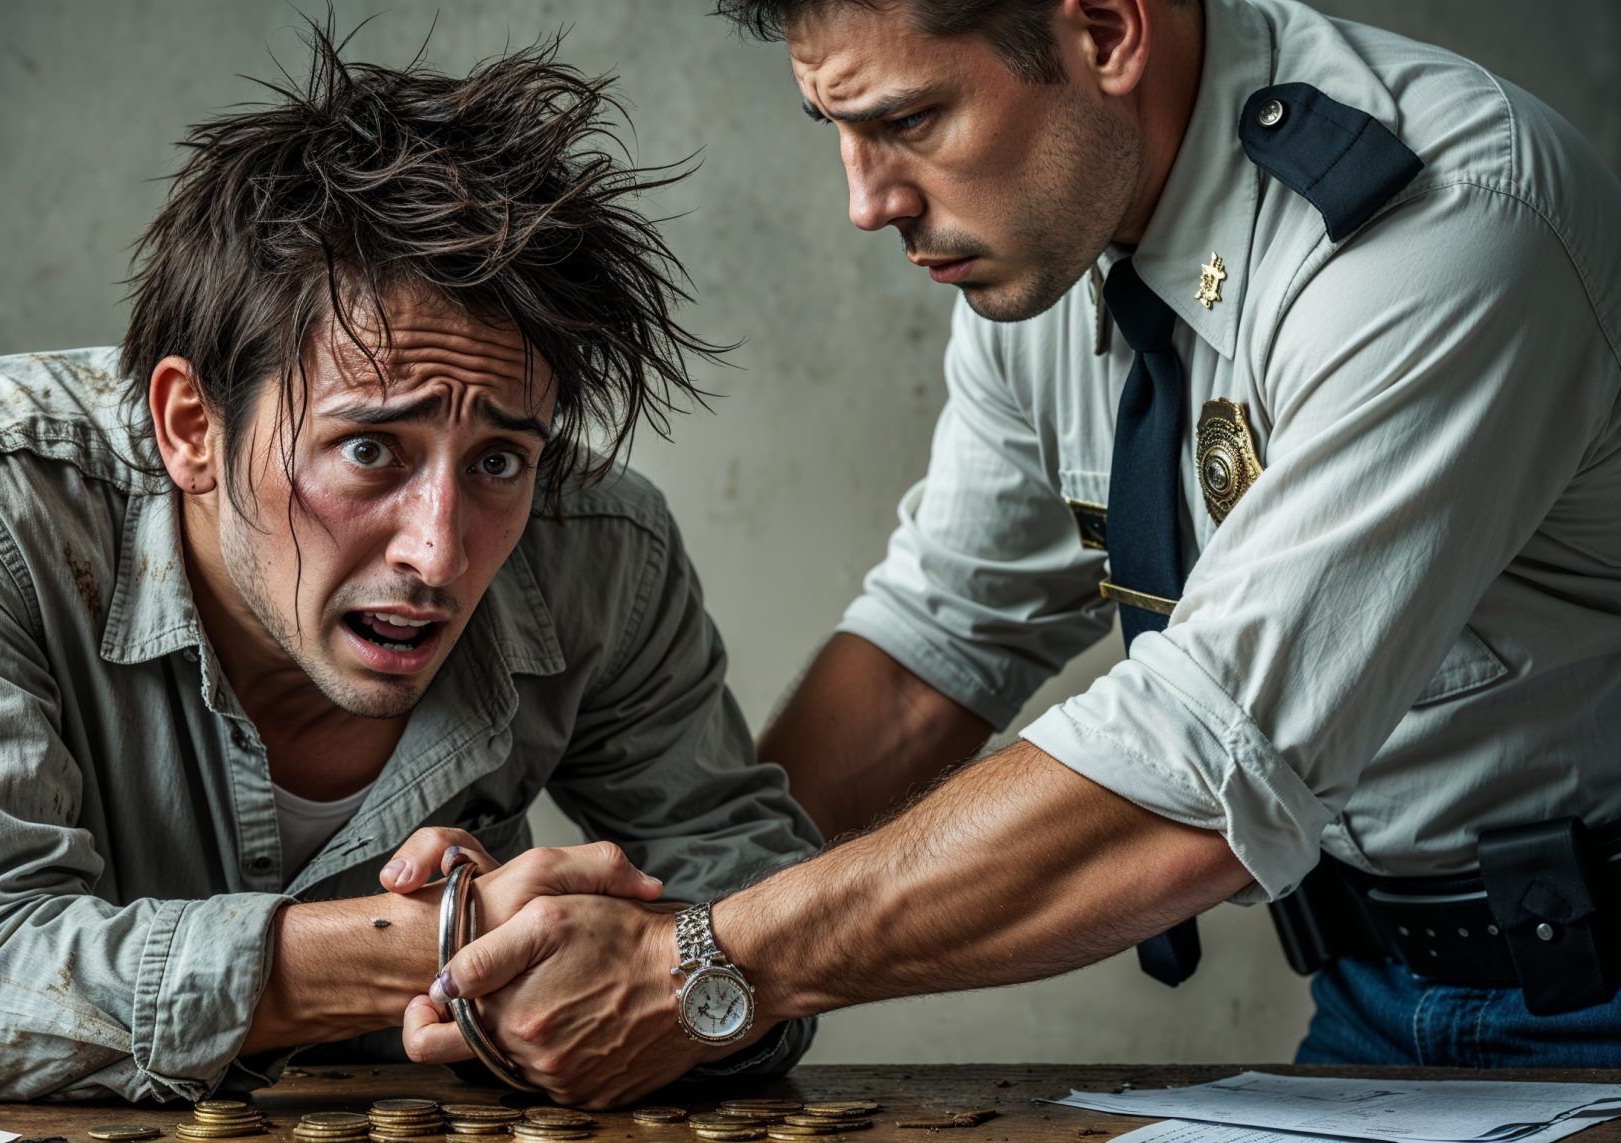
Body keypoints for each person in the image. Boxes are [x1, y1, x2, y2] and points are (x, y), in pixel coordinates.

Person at [406, 0, 1621, 1104]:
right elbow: (930, 651)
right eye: (836, 127)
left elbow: (1201, 768)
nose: (865, 202)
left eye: (909, 121)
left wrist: (698, 967)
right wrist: (627, 930)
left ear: (1105, 31)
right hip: (1369, 997)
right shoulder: (1049, 249)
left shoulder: (1437, 228)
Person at [0, 25, 820, 1103]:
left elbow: (757, 910)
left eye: (497, 460)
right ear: (191, 427)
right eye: (369, 451)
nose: (437, 549)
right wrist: (452, 940)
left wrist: (658, 973)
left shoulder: (605, 551)